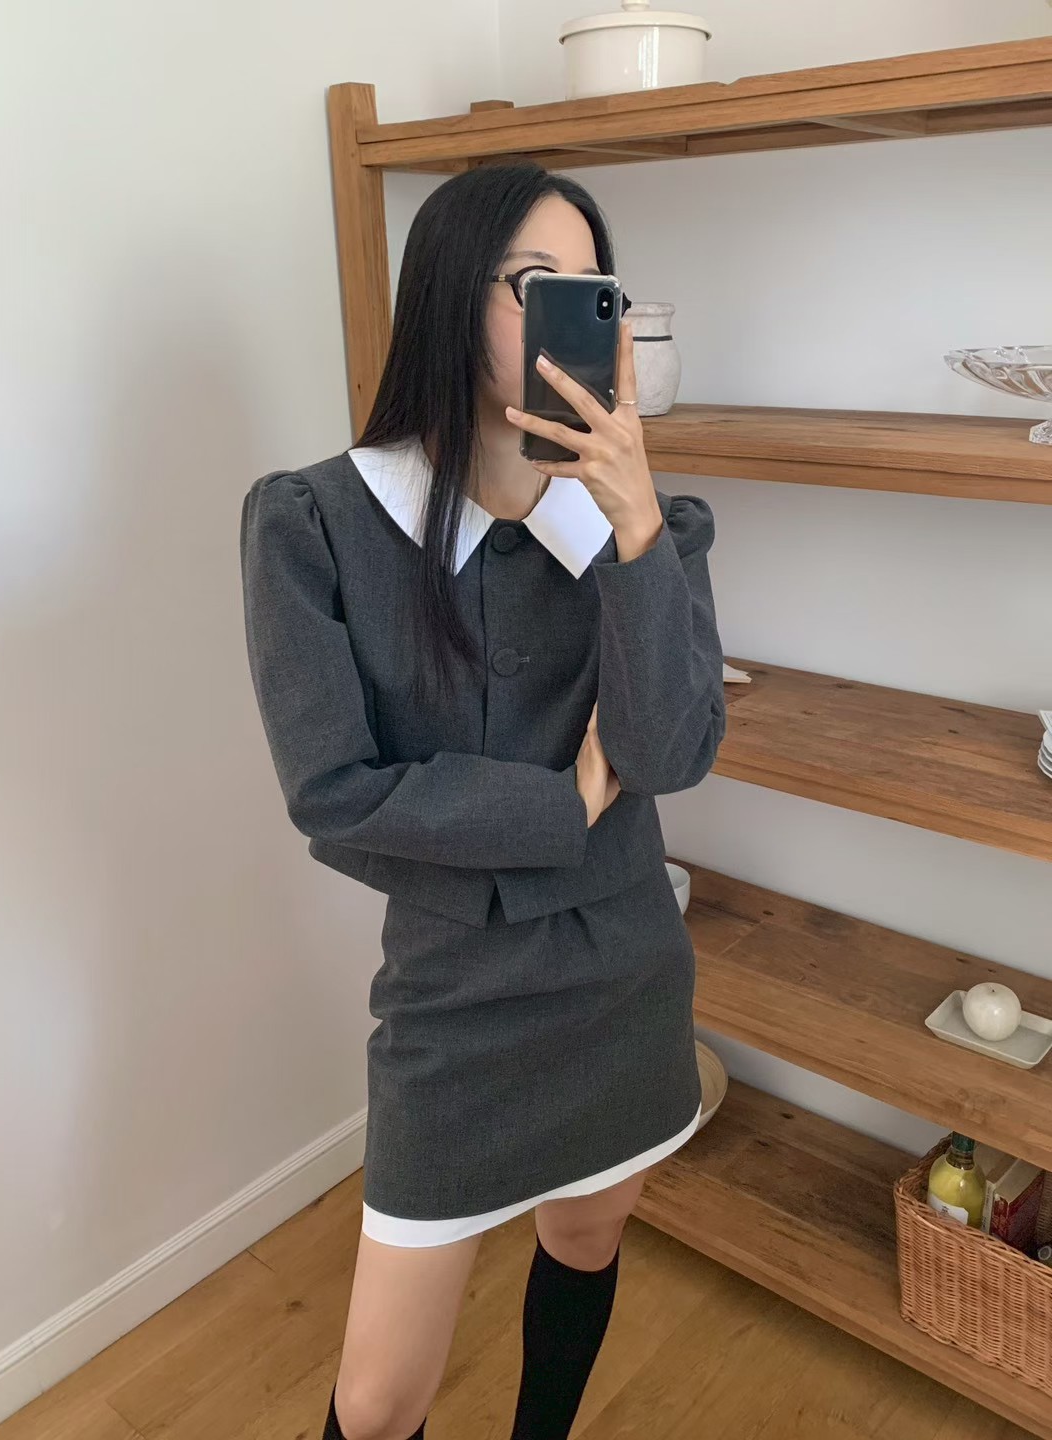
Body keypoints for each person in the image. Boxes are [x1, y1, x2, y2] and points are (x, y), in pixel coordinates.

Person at [239, 161, 727, 1440]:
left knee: (586, 1238)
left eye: (596, 291)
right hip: (453, 1005)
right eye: (537, 286)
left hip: (625, 977)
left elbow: (669, 752)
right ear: (455, 299)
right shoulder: (314, 523)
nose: (578, 317)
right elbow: (335, 794)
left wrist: (634, 532)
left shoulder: (652, 527)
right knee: (378, 1398)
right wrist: (564, 803)